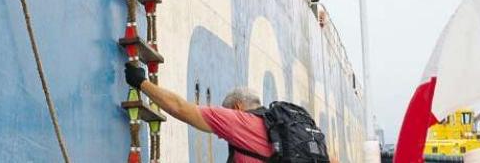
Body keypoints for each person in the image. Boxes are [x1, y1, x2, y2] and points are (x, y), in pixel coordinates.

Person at [125, 64, 339, 163]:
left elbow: (181, 108)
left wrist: (141, 83)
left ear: (237, 107)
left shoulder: (240, 122)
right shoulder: (284, 128)